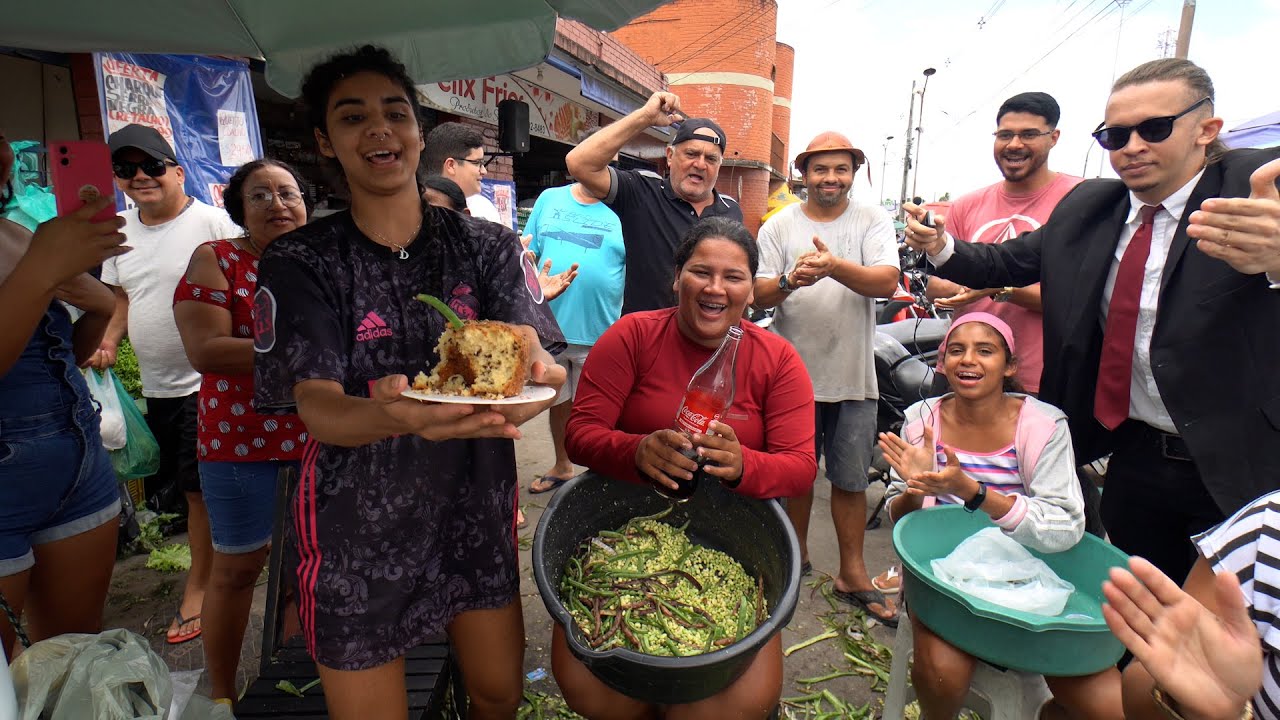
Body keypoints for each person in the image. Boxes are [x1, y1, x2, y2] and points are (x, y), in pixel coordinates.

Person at [251, 46, 565, 720]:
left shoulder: (486, 247)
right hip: (354, 528)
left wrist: (543, 371)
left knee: (500, 695)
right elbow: (319, 411)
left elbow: (534, 353)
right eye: (353, 115)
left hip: (470, 506)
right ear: (324, 142)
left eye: (396, 112)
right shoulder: (301, 260)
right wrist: (401, 416)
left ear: (420, 133)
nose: (379, 129)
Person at [902, 57, 1280, 586]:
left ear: (1206, 130)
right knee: (1135, 607)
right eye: (1115, 134)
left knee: (1236, 636)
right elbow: (1001, 262)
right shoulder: (1091, 207)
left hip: (1245, 464)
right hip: (1137, 453)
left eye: (1154, 128)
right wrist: (938, 243)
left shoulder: (1255, 187)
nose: (1132, 146)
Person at [561, 216, 816, 719]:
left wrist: (745, 465)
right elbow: (580, 434)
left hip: (732, 544)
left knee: (717, 707)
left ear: (752, 289)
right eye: (701, 272)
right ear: (677, 277)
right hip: (622, 535)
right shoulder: (632, 336)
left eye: (734, 277)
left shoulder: (777, 360)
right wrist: (635, 451)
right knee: (601, 696)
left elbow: (801, 467)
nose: (715, 288)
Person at [878, 313, 1121, 720]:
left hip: (1035, 577)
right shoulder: (922, 421)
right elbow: (898, 516)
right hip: (943, 586)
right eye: (956, 351)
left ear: (1009, 366)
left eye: (984, 351)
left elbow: (1064, 527)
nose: (967, 360)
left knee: (1105, 703)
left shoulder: (1043, 426)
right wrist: (916, 488)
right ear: (942, 364)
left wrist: (973, 493)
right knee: (942, 675)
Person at [94, 123, 241, 645]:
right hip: (159, 385)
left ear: (178, 172)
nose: (140, 177)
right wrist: (109, 342)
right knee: (190, 487)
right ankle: (230, 560)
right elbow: (122, 299)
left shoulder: (213, 222)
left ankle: (200, 589)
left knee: (198, 491)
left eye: (152, 166)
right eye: (127, 170)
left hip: (211, 382)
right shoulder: (119, 231)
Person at [172, 158, 311, 704]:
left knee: (309, 563)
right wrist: (304, 351)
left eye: (288, 193)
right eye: (261, 196)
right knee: (237, 569)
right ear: (239, 209)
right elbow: (206, 350)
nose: (278, 204)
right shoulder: (217, 259)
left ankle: (293, 676)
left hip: (318, 433)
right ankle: (223, 695)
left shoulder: (321, 261)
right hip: (239, 440)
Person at [752, 131, 901, 627]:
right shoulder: (778, 226)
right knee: (794, 476)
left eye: (840, 169)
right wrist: (793, 279)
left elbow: (887, 280)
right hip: (790, 379)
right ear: (803, 173)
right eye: (821, 169)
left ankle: (853, 573)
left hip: (854, 377)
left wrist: (834, 266)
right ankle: (793, 560)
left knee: (851, 479)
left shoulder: (872, 220)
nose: (830, 178)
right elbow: (757, 294)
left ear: (853, 173)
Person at [0, 127, 129, 654]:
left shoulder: (17, 235)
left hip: (78, 461)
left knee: (75, 663)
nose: (3, 151)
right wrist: (40, 271)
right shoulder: (32, 250)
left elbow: (64, 355)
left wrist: (102, 305)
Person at [928, 91, 1082, 394]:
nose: (1014, 145)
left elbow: (1074, 298)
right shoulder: (966, 205)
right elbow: (936, 285)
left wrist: (999, 288)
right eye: (1005, 135)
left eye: (1028, 135)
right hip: (960, 368)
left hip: (1037, 375)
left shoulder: (1078, 201)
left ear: (1054, 137)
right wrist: (971, 286)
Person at [566, 92, 743, 314]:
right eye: (691, 154)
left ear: (719, 166)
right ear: (670, 156)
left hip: (707, 342)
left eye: (711, 159)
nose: (700, 164)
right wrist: (645, 117)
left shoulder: (731, 211)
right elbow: (579, 163)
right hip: (645, 340)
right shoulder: (643, 191)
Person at [524, 136, 624, 494]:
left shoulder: (623, 209)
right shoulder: (550, 199)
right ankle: (563, 465)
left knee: (601, 413)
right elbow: (529, 252)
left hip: (602, 333)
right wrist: (526, 265)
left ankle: (600, 478)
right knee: (558, 401)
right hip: (549, 329)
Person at [422, 122, 505, 224]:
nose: (484, 171)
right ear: (451, 165)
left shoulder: (483, 207)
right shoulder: (418, 209)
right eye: (477, 163)